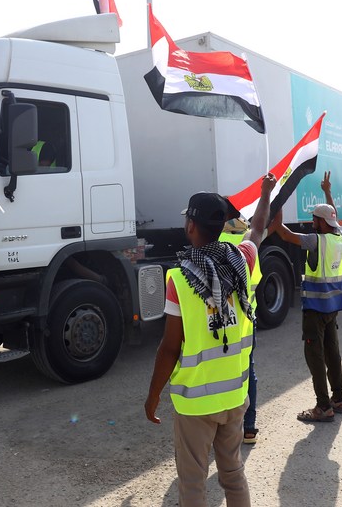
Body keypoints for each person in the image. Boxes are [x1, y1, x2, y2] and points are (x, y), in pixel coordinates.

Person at [145, 173, 276, 507]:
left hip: (196, 404)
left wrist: (153, 395)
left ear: (190, 226)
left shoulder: (180, 278)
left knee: (192, 484)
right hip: (235, 395)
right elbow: (258, 229)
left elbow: (170, 348)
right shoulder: (242, 262)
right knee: (233, 475)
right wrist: (266, 192)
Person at [273, 171, 342, 422]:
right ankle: (338, 399)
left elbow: (283, 234)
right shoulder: (339, 239)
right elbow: (333, 215)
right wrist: (327, 192)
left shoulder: (316, 241)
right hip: (333, 308)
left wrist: (278, 201)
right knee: (333, 354)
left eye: (314, 218)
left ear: (320, 222)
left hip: (315, 310)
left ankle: (323, 407)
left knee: (315, 356)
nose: (311, 221)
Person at [218, 216, 262, 444]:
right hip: (246, 321)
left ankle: (224, 427)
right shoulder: (248, 247)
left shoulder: (216, 241)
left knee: (221, 371)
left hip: (219, 320)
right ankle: (249, 428)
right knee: (248, 371)